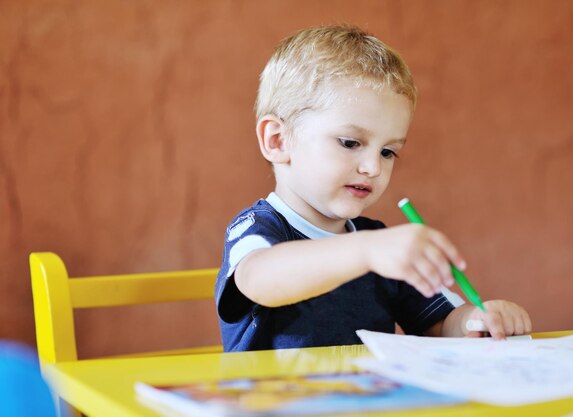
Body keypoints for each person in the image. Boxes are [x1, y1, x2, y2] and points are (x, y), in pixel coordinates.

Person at [215, 25, 531, 352]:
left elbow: (439, 324)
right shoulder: (258, 228)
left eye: (388, 151)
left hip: (371, 402)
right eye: (350, 142)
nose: (374, 167)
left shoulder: (380, 244)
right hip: (271, 402)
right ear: (278, 140)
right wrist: (366, 252)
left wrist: (476, 320)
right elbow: (258, 280)